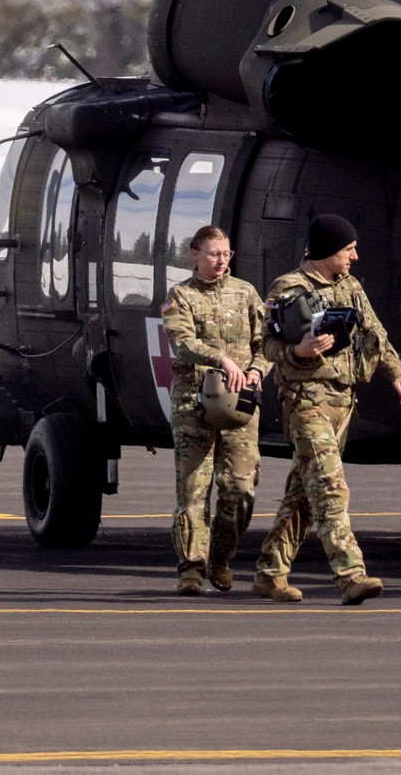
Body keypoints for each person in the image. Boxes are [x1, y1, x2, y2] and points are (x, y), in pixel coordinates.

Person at [253, 214, 401, 605]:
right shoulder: (288, 289)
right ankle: (351, 575)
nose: (354, 257)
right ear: (327, 251)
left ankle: (269, 573)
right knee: (330, 489)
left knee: (303, 497)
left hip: (342, 404)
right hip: (306, 402)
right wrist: (297, 351)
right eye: (348, 249)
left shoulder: (350, 286)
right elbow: (266, 345)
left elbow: (375, 332)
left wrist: (397, 373)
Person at [161, 224, 268, 595]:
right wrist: (221, 359)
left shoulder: (246, 292)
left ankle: (221, 556)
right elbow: (182, 343)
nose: (221, 260)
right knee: (193, 490)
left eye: (226, 254)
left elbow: (266, 344)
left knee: (240, 487)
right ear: (195, 253)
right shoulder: (180, 296)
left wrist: (256, 370)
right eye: (213, 254)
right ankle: (191, 568)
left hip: (239, 404)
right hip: (194, 403)